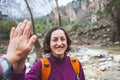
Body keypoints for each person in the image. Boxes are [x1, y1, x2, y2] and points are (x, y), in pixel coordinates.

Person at [8, 27, 85, 80]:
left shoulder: (75, 63)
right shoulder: (41, 65)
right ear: (49, 44)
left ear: (67, 42)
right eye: (55, 40)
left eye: (62, 39)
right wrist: (18, 64)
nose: (59, 43)